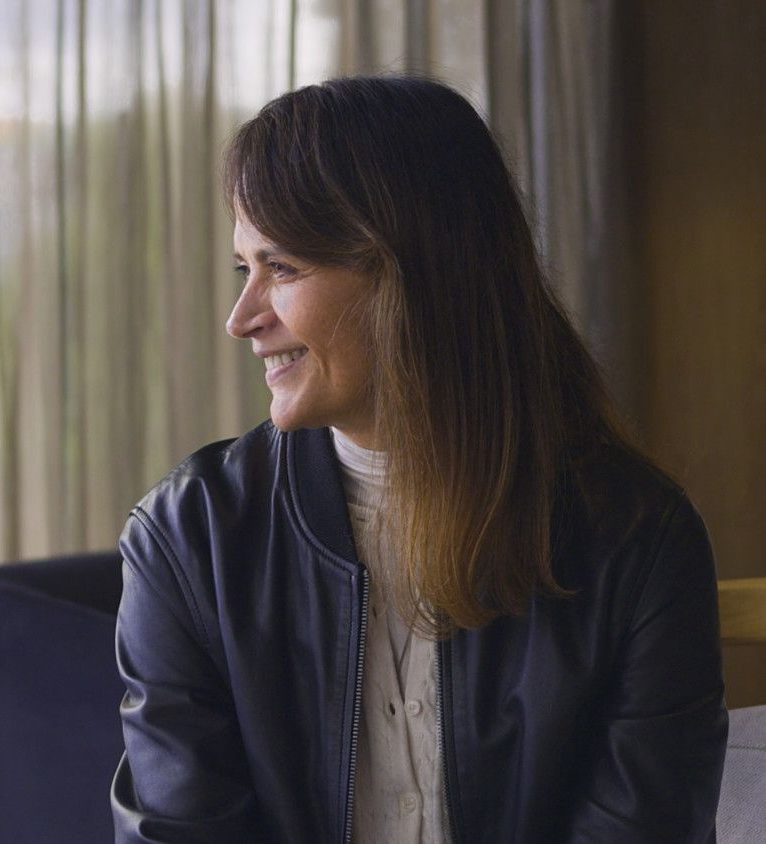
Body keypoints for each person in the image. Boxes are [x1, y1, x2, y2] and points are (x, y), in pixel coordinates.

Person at [109, 76, 727, 843]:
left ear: (413, 273)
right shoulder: (186, 538)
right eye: (246, 269)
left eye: (283, 268)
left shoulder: (636, 537)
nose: (243, 319)